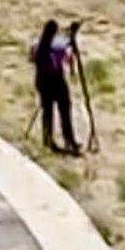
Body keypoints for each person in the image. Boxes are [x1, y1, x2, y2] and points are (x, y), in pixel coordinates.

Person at [30, 18, 78, 155]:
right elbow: (69, 56)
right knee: (64, 110)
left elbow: (31, 58)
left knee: (47, 111)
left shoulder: (37, 45)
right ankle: (69, 139)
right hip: (56, 81)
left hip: (42, 81)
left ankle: (48, 138)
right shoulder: (58, 47)